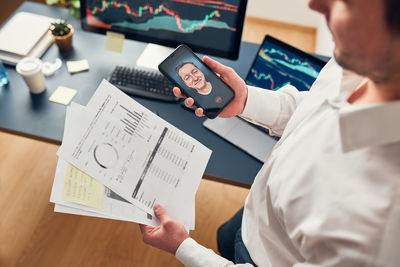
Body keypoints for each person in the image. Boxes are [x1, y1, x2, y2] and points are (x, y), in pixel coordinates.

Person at [140, 0, 400, 266]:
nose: (315, 4)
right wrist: (244, 101)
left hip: (265, 259)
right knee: (225, 237)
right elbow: (313, 105)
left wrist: (183, 247)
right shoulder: (359, 54)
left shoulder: (381, 229)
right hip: (257, 211)